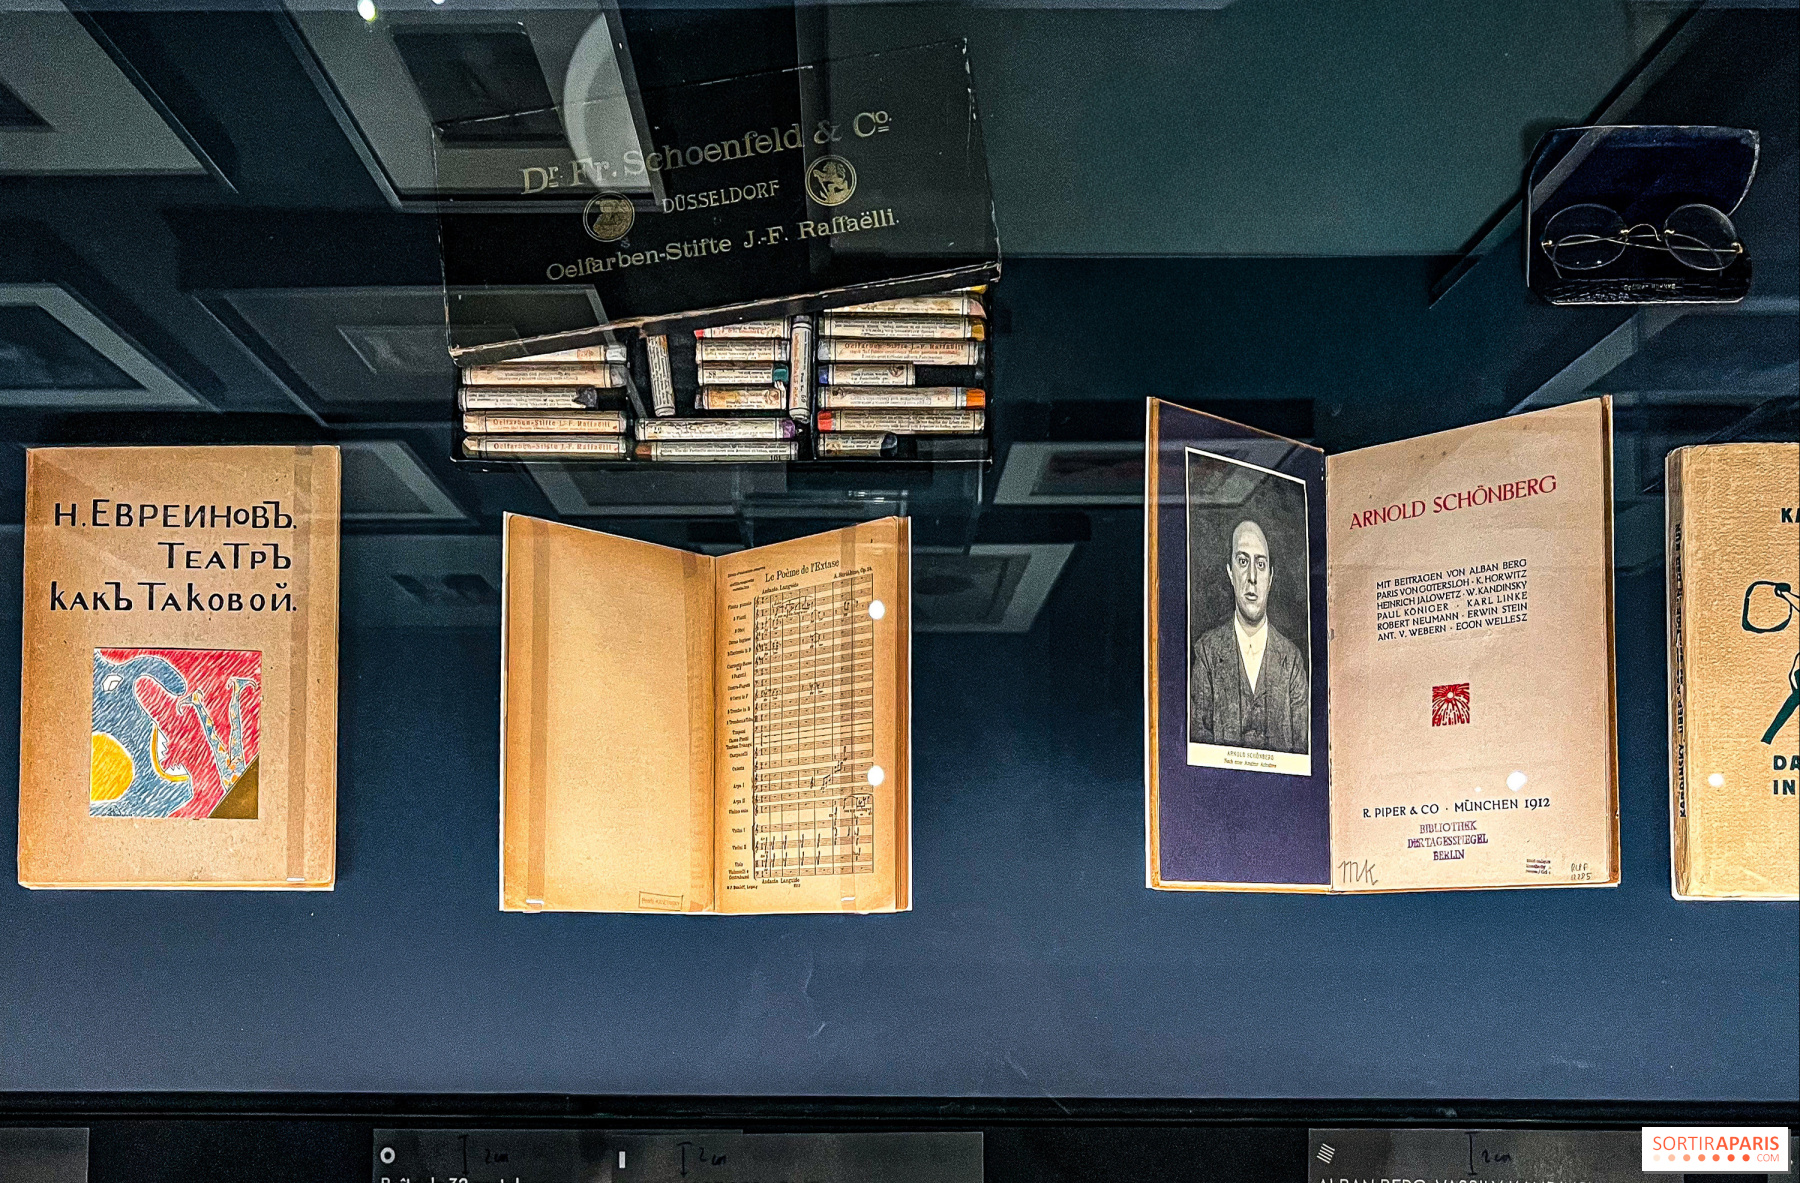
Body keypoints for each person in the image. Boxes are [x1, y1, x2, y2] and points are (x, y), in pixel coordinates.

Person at [1190, 519, 1308, 754]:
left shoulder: (1292, 661)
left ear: (1270, 578)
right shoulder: (1207, 653)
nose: (1252, 576)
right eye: (1243, 561)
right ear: (1230, 572)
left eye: (1260, 564)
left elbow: (1301, 752)